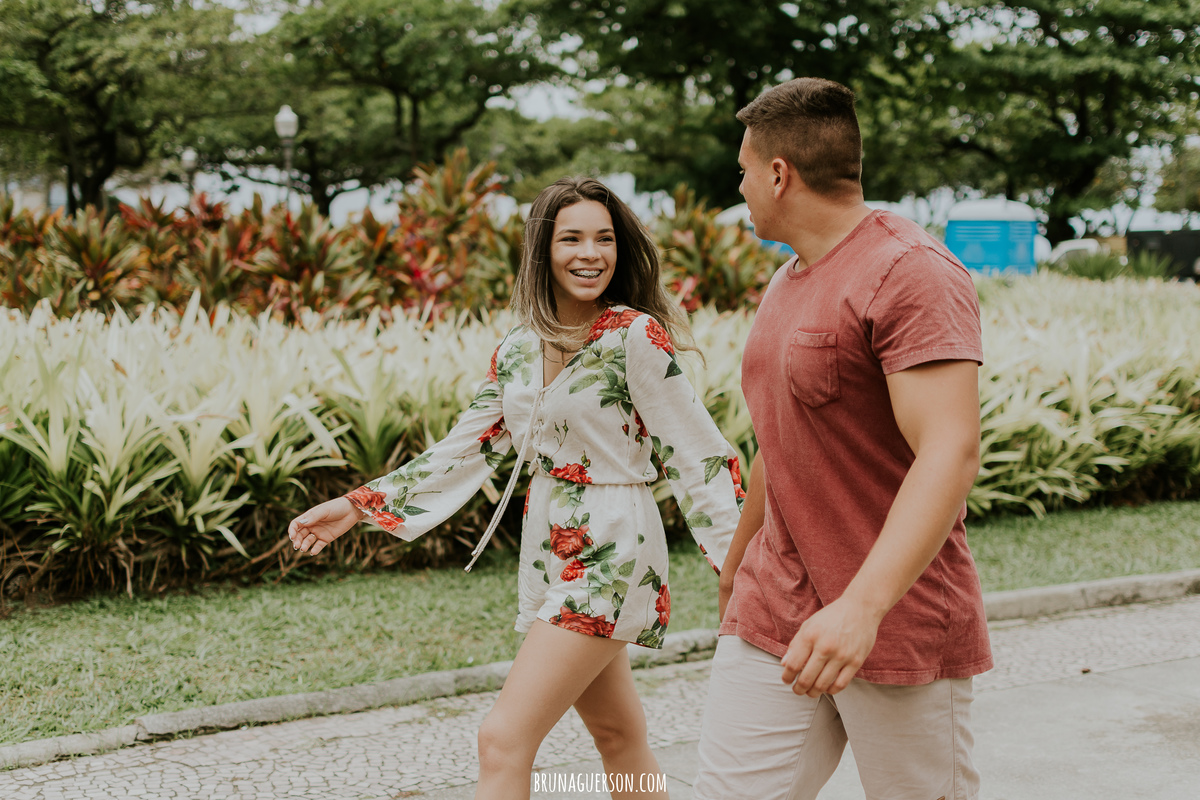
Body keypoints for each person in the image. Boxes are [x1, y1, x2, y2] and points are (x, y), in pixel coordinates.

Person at [288, 176, 744, 799]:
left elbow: (701, 456)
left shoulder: (634, 336)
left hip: (613, 549)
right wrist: (354, 505)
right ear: (541, 251)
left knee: (502, 740)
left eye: (605, 239)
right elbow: (464, 447)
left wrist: (744, 564)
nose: (591, 254)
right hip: (552, 547)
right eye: (572, 239)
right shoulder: (518, 350)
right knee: (618, 736)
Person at [694, 78, 991, 800]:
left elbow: (949, 450)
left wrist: (861, 608)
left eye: (742, 169)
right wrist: (740, 562)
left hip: (894, 619)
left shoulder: (911, 273)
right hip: (775, 610)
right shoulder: (786, 281)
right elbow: (780, 434)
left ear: (777, 172)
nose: (740, 187)